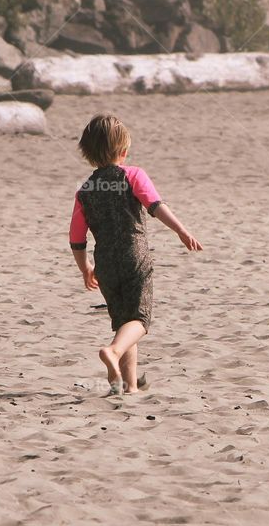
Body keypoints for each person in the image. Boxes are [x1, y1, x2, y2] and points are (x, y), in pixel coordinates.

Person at [69, 114, 203, 395]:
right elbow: (155, 205)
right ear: (123, 151)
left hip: (105, 265)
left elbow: (77, 239)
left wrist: (86, 268)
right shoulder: (133, 175)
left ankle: (129, 386)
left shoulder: (85, 191)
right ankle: (113, 352)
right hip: (135, 259)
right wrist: (181, 230)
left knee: (124, 322)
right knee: (140, 320)